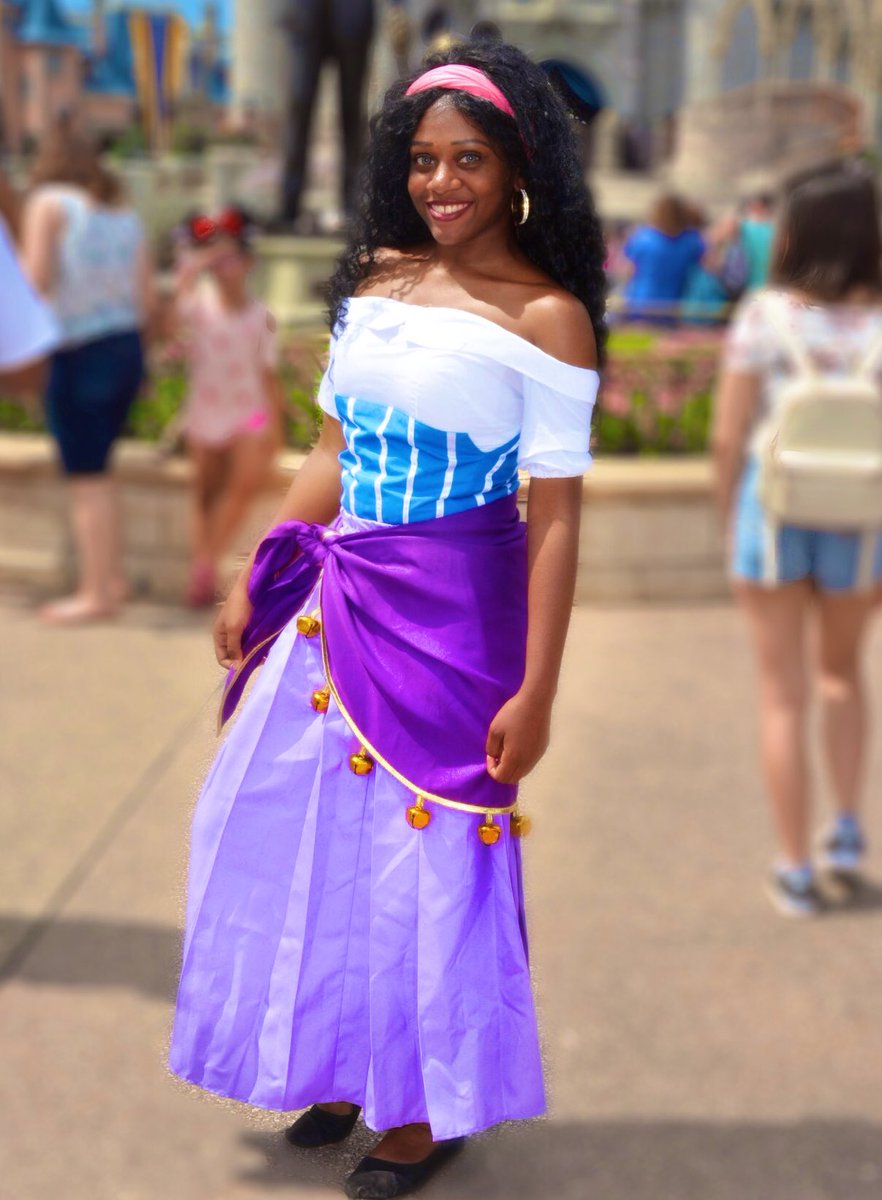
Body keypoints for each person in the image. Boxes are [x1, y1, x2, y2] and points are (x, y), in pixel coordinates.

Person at [169, 37, 605, 1200]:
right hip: (336, 602)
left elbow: (557, 517)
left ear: (519, 167)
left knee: (425, 857)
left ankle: (420, 1110)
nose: (439, 182)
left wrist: (539, 688)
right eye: (422, 158)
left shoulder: (550, 318)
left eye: (468, 159)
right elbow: (332, 448)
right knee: (302, 838)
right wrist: (260, 569)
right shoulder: (375, 282)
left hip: (456, 618)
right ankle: (342, 1066)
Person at [713, 162, 882, 918]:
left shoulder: (765, 317)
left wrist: (727, 518)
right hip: (862, 519)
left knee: (782, 696)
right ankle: (844, 827)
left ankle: (794, 866)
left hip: (774, 514)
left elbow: (728, 436)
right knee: (842, 674)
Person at [20, 118, 154, 624]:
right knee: (101, 469)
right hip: (124, 347)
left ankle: (95, 592)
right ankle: (111, 578)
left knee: (86, 476)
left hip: (79, 351)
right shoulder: (123, 215)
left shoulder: (48, 203)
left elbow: (34, 281)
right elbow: (145, 298)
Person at [173, 208, 283, 607]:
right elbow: (169, 322)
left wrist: (275, 425)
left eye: (232, 257)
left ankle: (205, 562)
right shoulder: (197, 307)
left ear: (249, 261)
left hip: (250, 411)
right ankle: (202, 563)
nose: (224, 267)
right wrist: (194, 264)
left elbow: (268, 374)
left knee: (243, 485)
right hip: (206, 407)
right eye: (217, 260)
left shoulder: (262, 316)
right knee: (204, 492)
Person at [621, 194, 705, 324]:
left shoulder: (642, 238)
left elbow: (629, 272)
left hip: (642, 303)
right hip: (675, 305)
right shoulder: (691, 242)